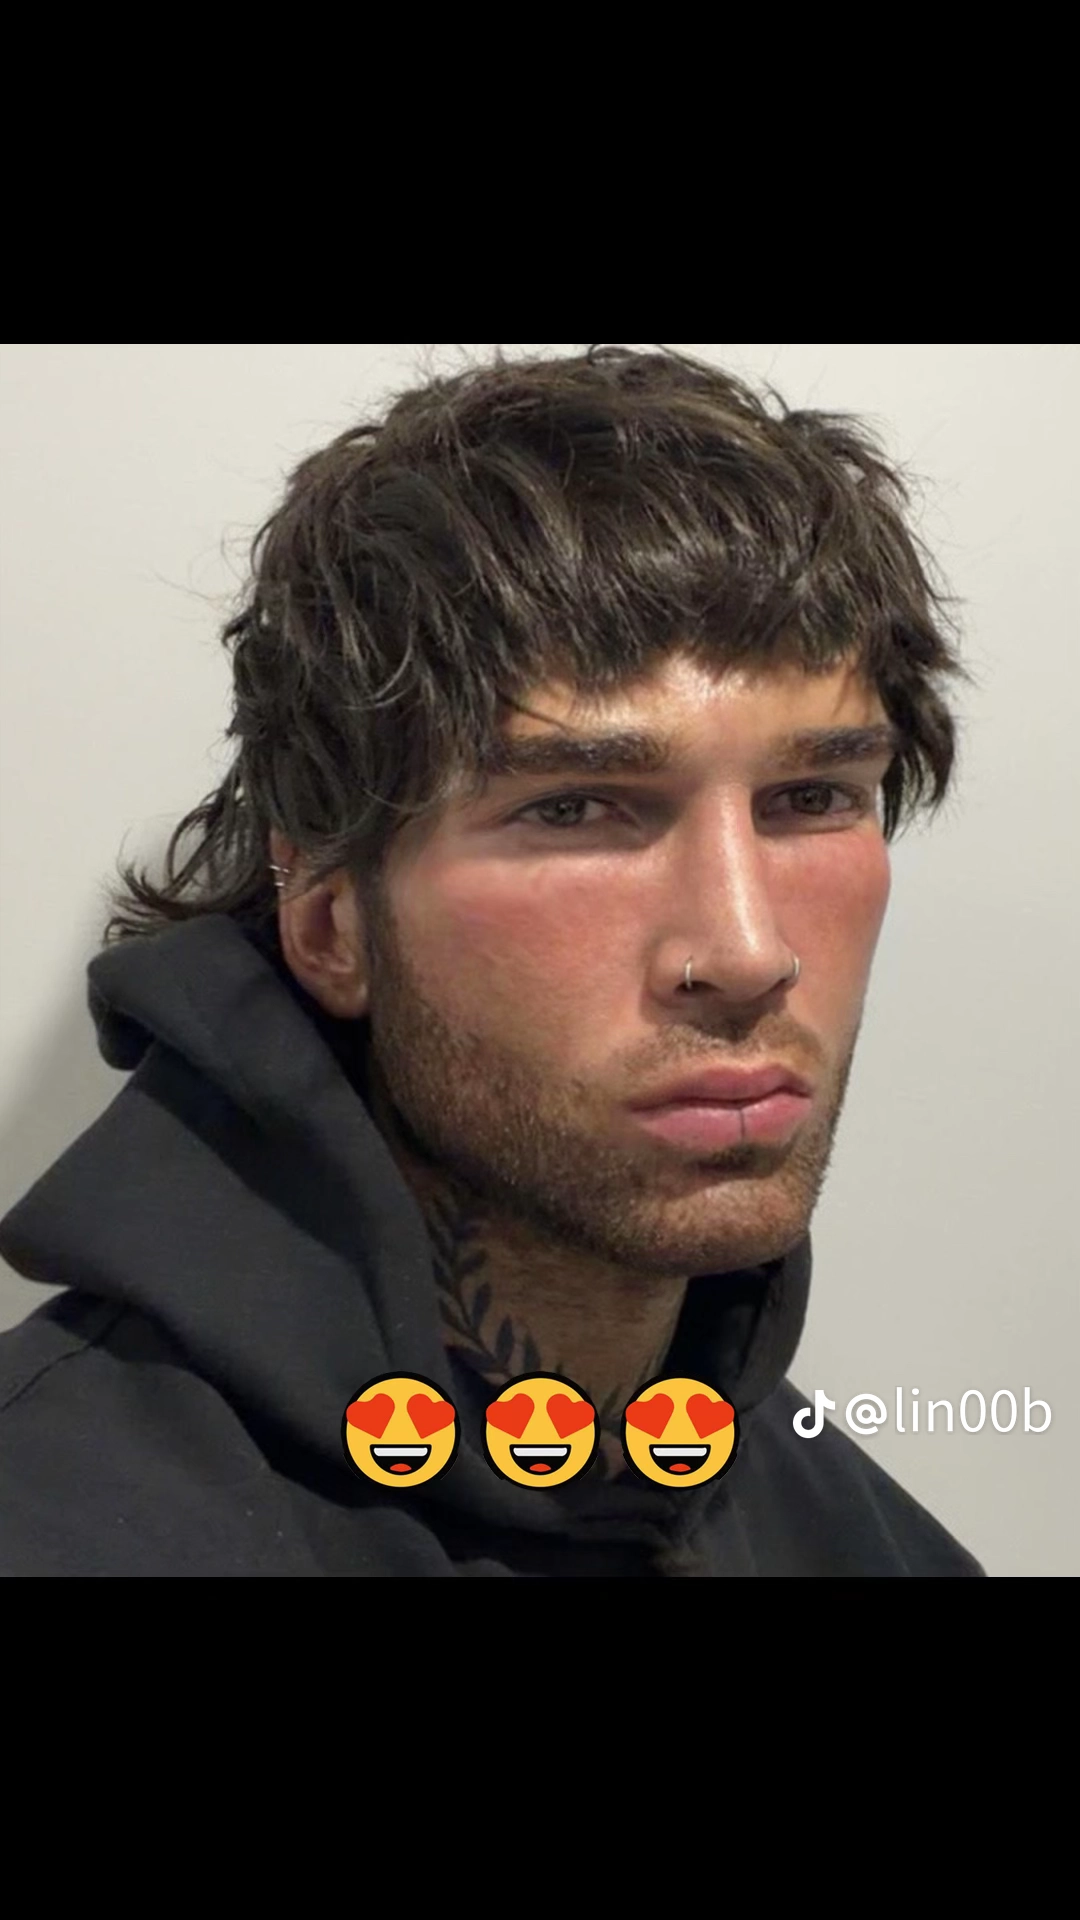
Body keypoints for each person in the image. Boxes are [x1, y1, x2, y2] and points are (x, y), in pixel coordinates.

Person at [0, 345, 986, 1576]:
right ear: (332, 924)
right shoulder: (53, 1521)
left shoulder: (870, 1541)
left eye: (813, 798)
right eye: (576, 810)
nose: (747, 952)